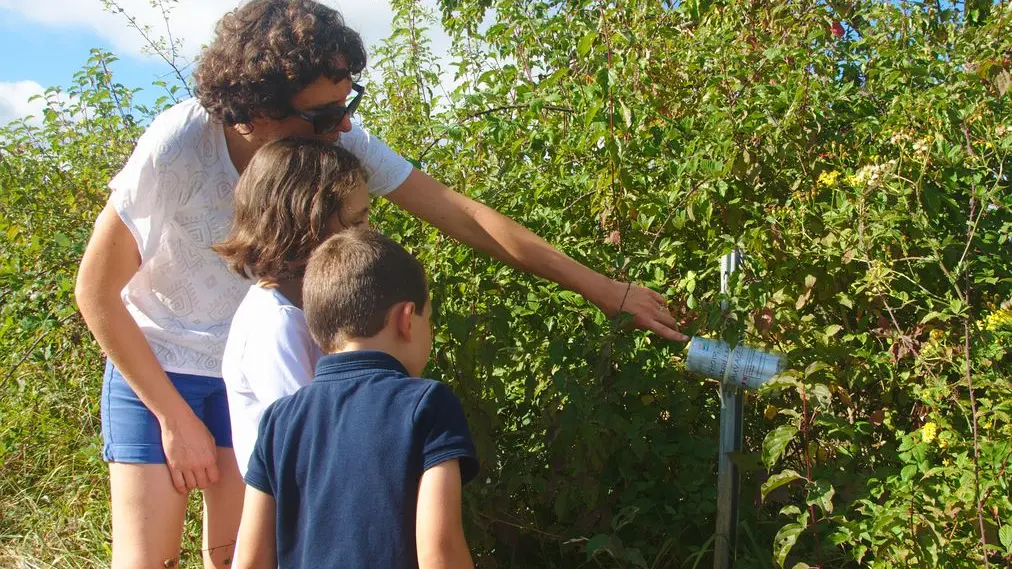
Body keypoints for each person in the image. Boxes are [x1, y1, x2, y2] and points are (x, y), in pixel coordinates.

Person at [74, 1, 686, 567]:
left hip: (253, 375)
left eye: (349, 103)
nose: (343, 126)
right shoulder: (179, 146)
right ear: (258, 112)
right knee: (146, 559)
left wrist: (605, 289)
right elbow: (96, 293)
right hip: (156, 364)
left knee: (233, 551)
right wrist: (175, 420)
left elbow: (461, 213)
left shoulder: (333, 140)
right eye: (323, 113)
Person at [236, 228, 478, 569]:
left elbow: (249, 561)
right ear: (406, 319)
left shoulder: (279, 420)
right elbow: (440, 551)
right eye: (430, 320)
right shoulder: (426, 404)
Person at [213, 138, 369, 479]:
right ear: (306, 225)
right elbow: (313, 447)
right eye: (355, 223)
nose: (369, 235)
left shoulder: (309, 308)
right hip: (301, 520)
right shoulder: (276, 325)